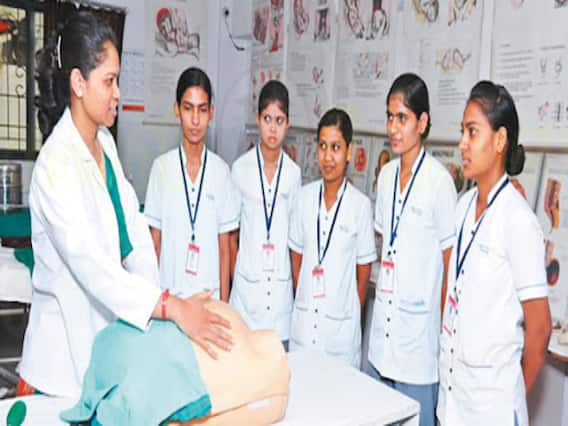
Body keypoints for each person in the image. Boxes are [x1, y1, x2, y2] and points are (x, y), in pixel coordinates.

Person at [19, 12, 231, 398]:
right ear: (78, 83)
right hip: (58, 370)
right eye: (109, 81)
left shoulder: (105, 146)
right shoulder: (55, 165)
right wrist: (168, 307)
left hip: (103, 350)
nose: (118, 92)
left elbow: (136, 237)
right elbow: (95, 268)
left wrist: (165, 307)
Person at [437, 81, 552, 426]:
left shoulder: (518, 220)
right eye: (462, 132)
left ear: (500, 140)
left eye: (472, 132)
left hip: (491, 411)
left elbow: (540, 330)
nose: (462, 143)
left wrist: (507, 397)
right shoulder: (462, 207)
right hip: (452, 401)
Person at [367, 73, 457, 426]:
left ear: (422, 122)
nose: (393, 128)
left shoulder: (439, 183)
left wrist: (445, 341)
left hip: (419, 349)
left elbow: (450, 268)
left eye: (402, 118)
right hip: (381, 342)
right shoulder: (386, 176)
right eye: (390, 117)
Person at [288, 108, 377, 367]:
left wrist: (345, 312)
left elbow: (363, 274)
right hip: (304, 329)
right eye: (323, 146)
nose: (328, 157)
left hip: (340, 337)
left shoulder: (360, 206)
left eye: (336, 147)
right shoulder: (303, 198)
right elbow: (296, 261)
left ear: (349, 152)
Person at [145, 67, 239, 303]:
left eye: (202, 109)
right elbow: (154, 244)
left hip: (209, 300)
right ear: (177, 109)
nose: (195, 120)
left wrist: (223, 305)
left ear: (211, 113)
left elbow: (225, 248)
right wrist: (154, 303)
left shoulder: (221, 172)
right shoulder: (162, 169)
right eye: (188, 108)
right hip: (171, 300)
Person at [229, 81, 301, 351]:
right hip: (246, 296)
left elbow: (295, 240)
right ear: (258, 119)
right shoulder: (240, 169)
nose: (272, 128)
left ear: (288, 123)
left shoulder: (293, 174)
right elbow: (232, 236)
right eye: (267, 119)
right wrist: (238, 277)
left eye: (279, 120)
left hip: (280, 297)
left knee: (278, 366)